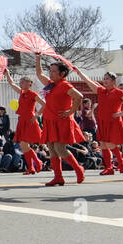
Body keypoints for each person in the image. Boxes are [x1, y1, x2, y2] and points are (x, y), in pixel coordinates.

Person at [34, 55, 87, 187]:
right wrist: (38, 58)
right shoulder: (51, 85)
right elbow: (39, 73)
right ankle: (58, 177)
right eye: (50, 70)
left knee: (60, 148)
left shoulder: (64, 85)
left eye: (53, 71)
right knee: (51, 148)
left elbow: (79, 96)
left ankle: (78, 169)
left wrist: (71, 111)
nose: (50, 73)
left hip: (61, 120)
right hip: (50, 120)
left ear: (62, 73)